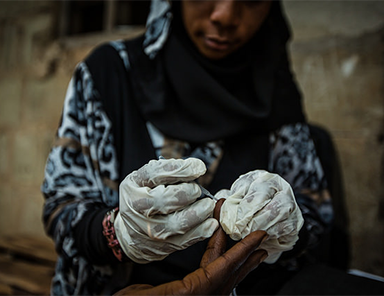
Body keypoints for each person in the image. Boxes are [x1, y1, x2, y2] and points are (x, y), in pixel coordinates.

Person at [41, 0, 333, 295]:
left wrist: (287, 227)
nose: (225, 16)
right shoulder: (107, 74)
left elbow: (316, 215)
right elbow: (60, 208)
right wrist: (116, 232)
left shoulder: (274, 86)